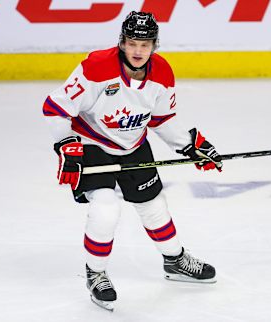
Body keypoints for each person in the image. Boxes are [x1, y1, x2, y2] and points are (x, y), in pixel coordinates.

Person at [42, 11, 223, 311]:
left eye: (146, 44)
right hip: (93, 143)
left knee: (154, 206)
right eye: (132, 43)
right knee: (105, 209)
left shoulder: (162, 73)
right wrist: (66, 144)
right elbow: (55, 107)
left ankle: (175, 260)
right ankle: (96, 273)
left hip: (134, 144)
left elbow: (162, 120)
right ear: (122, 43)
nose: (138, 51)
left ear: (154, 45)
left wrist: (190, 146)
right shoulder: (97, 67)